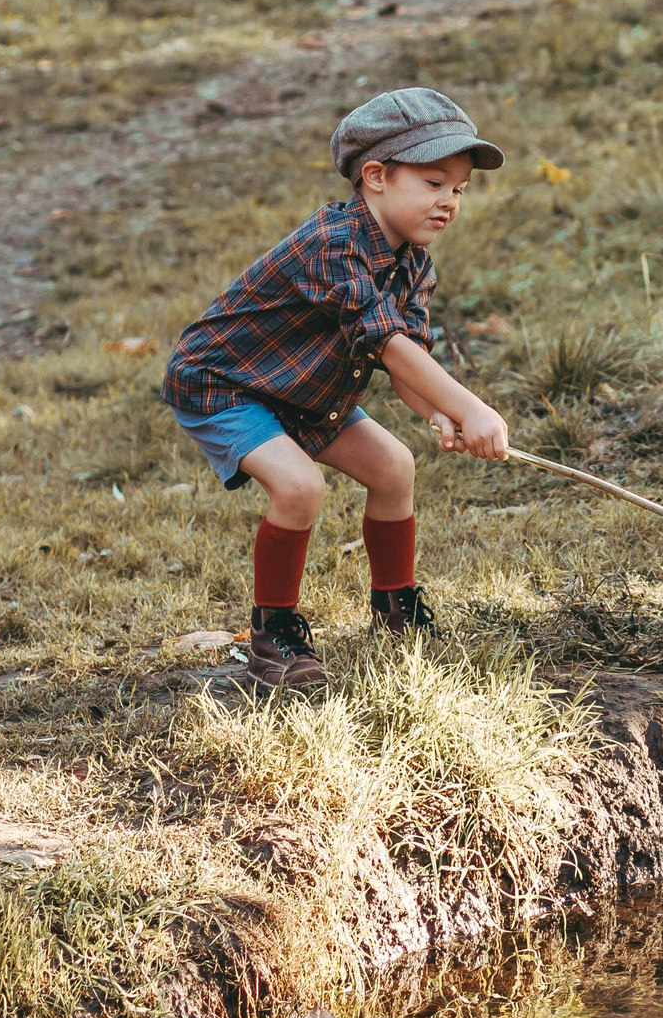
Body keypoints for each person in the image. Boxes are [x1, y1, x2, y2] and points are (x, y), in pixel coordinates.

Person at [161, 88, 510, 689]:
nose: (449, 200)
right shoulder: (334, 242)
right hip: (227, 382)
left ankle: (396, 609)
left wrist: (438, 413)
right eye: (433, 182)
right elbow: (385, 344)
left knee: (395, 467)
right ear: (376, 176)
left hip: (306, 390)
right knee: (300, 487)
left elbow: (410, 361)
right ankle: (275, 634)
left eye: (459, 188)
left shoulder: (413, 264)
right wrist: (471, 406)